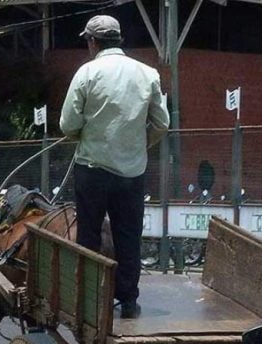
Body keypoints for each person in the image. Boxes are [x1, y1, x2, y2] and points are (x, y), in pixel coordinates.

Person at [60, 15, 170, 319]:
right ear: (118, 39)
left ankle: (89, 298)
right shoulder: (147, 74)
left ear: (92, 42)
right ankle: (129, 301)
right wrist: (138, 145)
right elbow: (162, 124)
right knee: (128, 236)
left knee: (89, 235)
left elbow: (67, 124)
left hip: (92, 168)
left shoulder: (87, 72)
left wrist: (83, 133)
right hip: (132, 172)